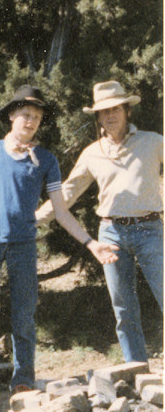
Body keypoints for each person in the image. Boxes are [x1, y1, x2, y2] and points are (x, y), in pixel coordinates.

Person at [0, 86, 118, 394]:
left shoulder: (45, 160)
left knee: (24, 314)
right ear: (11, 116)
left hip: (23, 245)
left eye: (36, 117)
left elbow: (60, 211)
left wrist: (91, 243)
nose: (30, 122)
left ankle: (23, 380)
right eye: (25, 115)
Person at [38, 80, 163, 363]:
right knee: (123, 309)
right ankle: (136, 371)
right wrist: (33, 220)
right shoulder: (92, 152)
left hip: (151, 230)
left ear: (126, 110)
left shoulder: (153, 142)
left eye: (115, 109)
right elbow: (67, 192)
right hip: (111, 234)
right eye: (103, 112)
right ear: (98, 117)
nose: (110, 116)